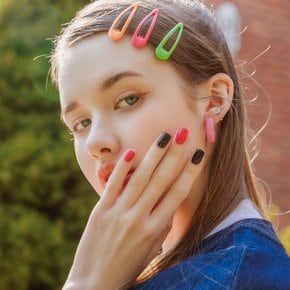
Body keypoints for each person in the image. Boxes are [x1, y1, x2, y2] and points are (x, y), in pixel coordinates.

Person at [50, 0, 290, 289]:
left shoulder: (237, 276)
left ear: (214, 100)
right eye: (81, 124)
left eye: (128, 99)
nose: (96, 142)